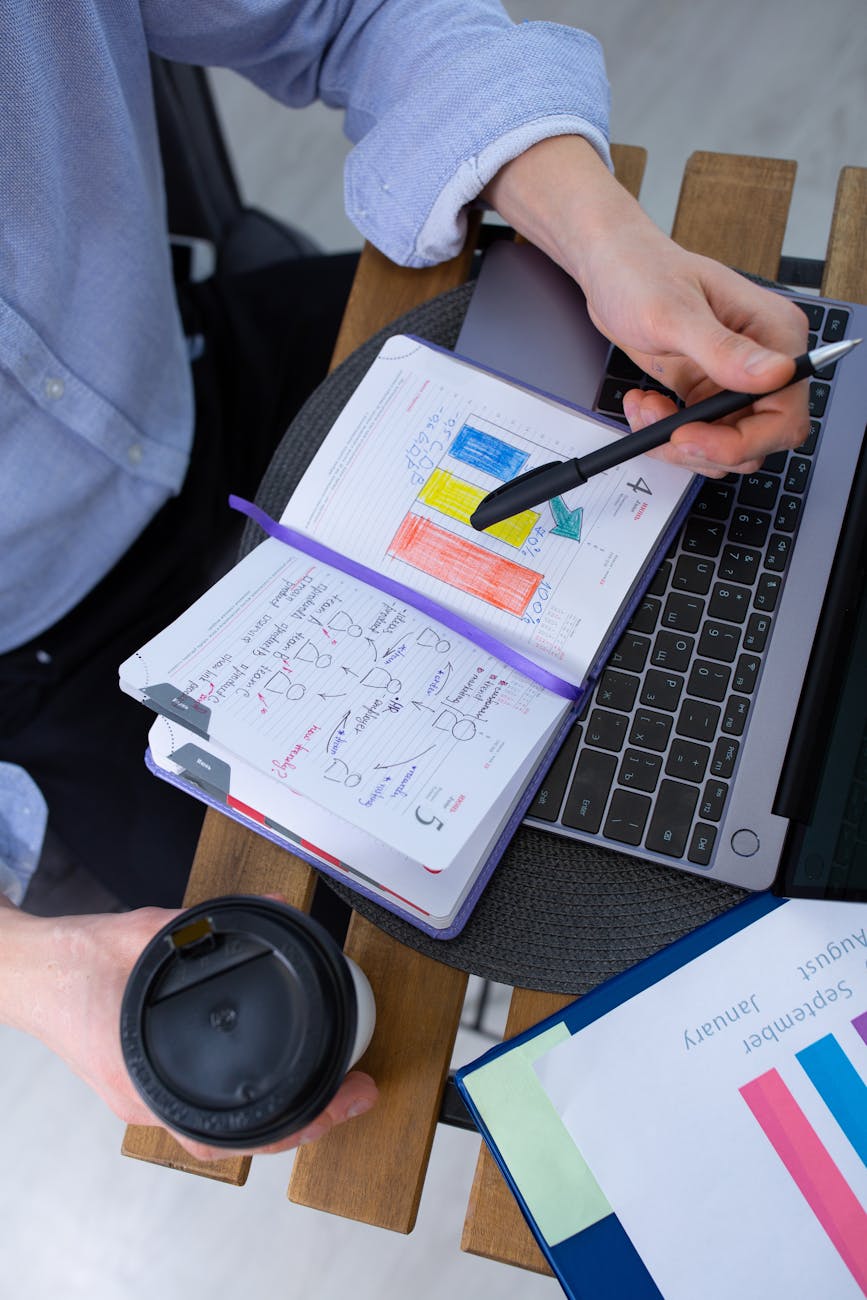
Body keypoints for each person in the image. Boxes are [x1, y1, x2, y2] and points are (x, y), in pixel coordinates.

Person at [0, 0, 808, 1162]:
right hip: (49, 668)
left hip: (200, 374)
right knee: (391, 940)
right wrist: (31, 966)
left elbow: (351, 14)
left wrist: (600, 236)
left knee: (720, 587)